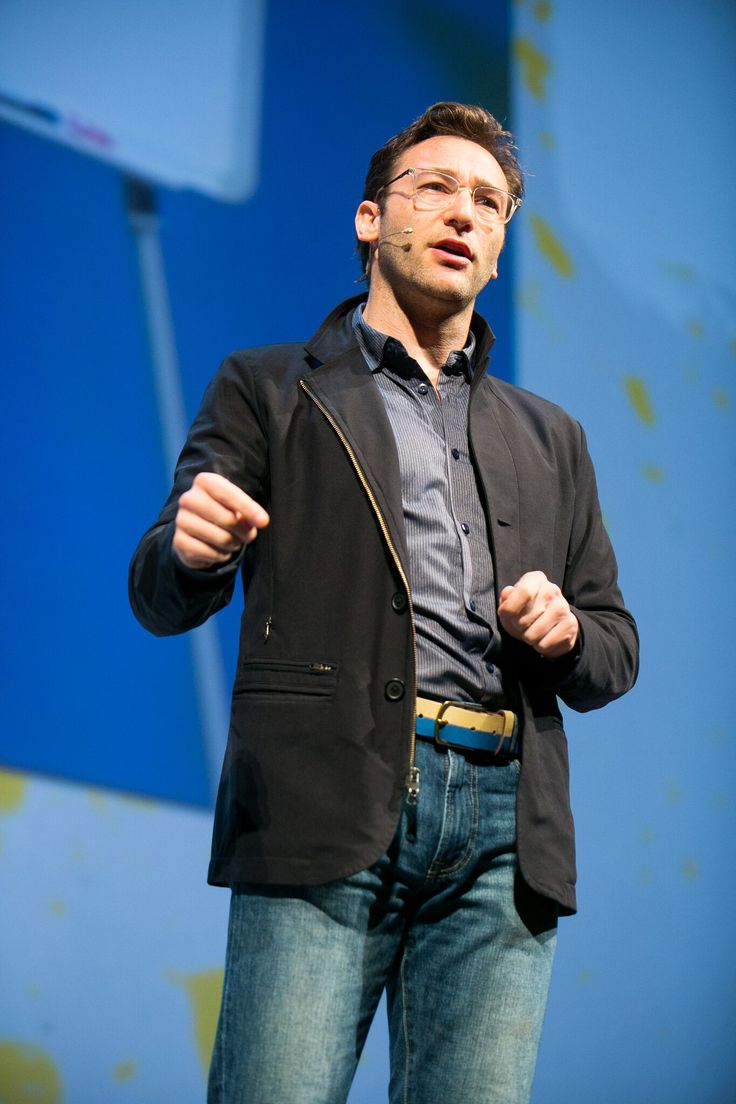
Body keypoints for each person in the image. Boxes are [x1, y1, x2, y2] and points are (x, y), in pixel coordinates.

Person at [129, 102, 638, 1104]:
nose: (464, 214)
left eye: (488, 203)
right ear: (370, 220)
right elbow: (158, 591)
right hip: (330, 793)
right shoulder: (269, 386)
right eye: (436, 188)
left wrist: (567, 631)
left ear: (497, 250)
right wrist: (192, 551)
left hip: (503, 830)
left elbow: (613, 648)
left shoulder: (554, 437)